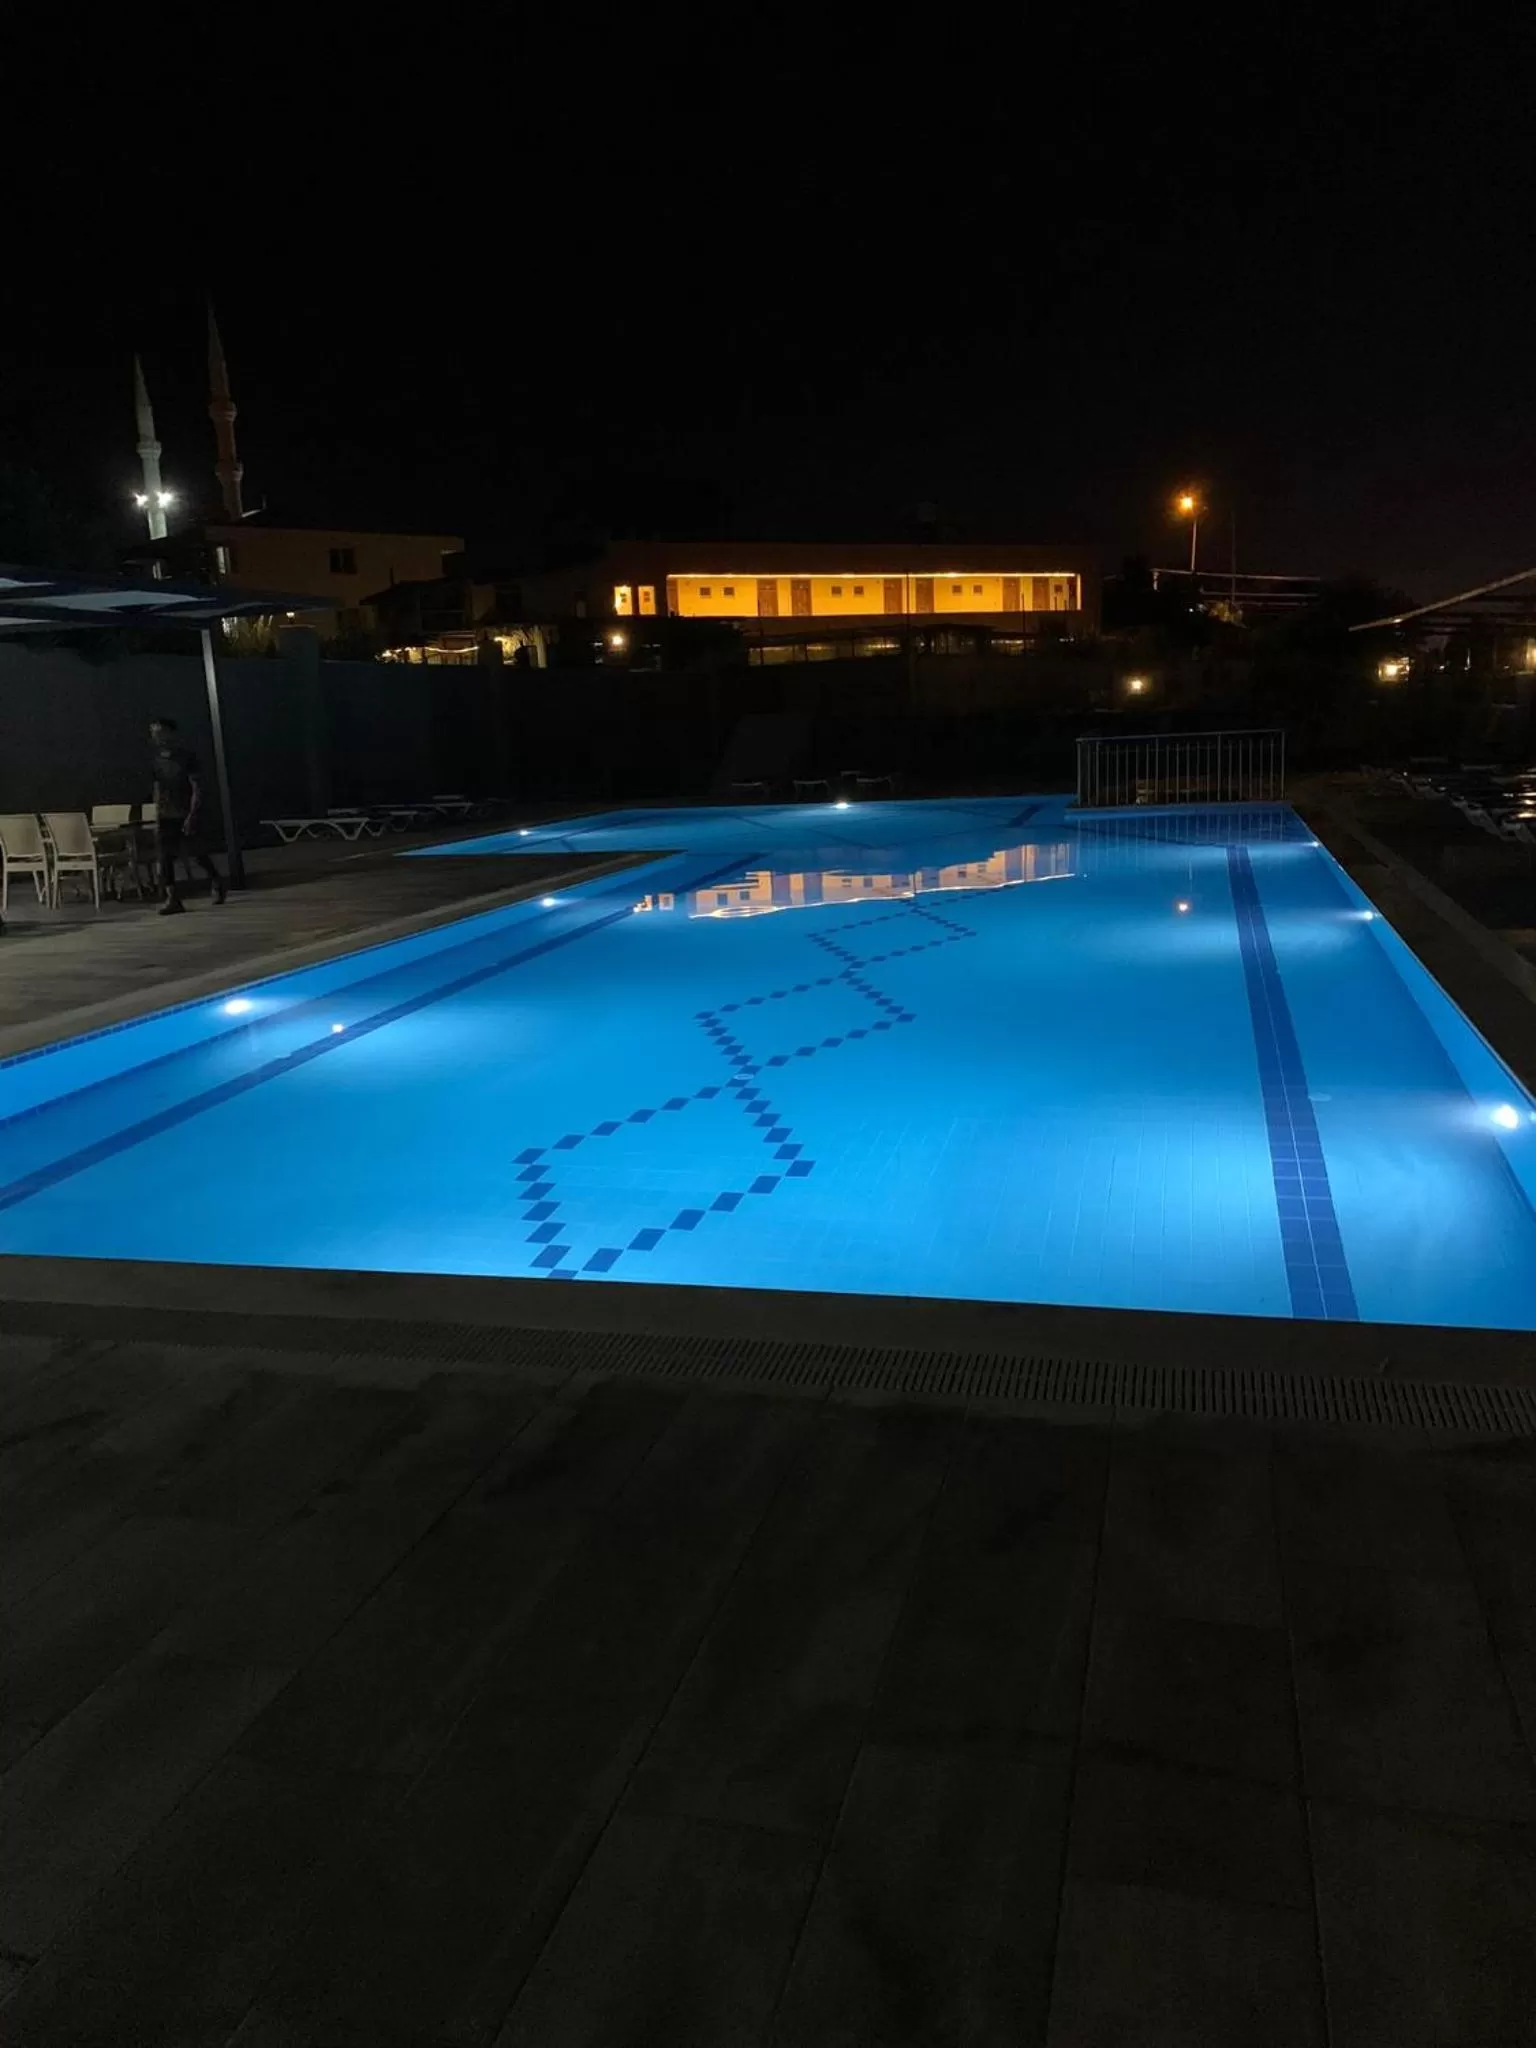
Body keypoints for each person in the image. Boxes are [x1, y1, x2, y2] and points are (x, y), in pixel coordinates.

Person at [149, 716, 226, 914]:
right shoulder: (155, 760)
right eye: (154, 733)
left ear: (171, 733)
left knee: (196, 853)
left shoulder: (186, 758)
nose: (157, 737)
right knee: (165, 857)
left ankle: (216, 880)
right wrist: (156, 811)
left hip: (185, 812)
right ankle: (173, 898)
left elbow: (196, 787)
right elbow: (157, 787)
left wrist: (193, 813)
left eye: (160, 732)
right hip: (166, 814)